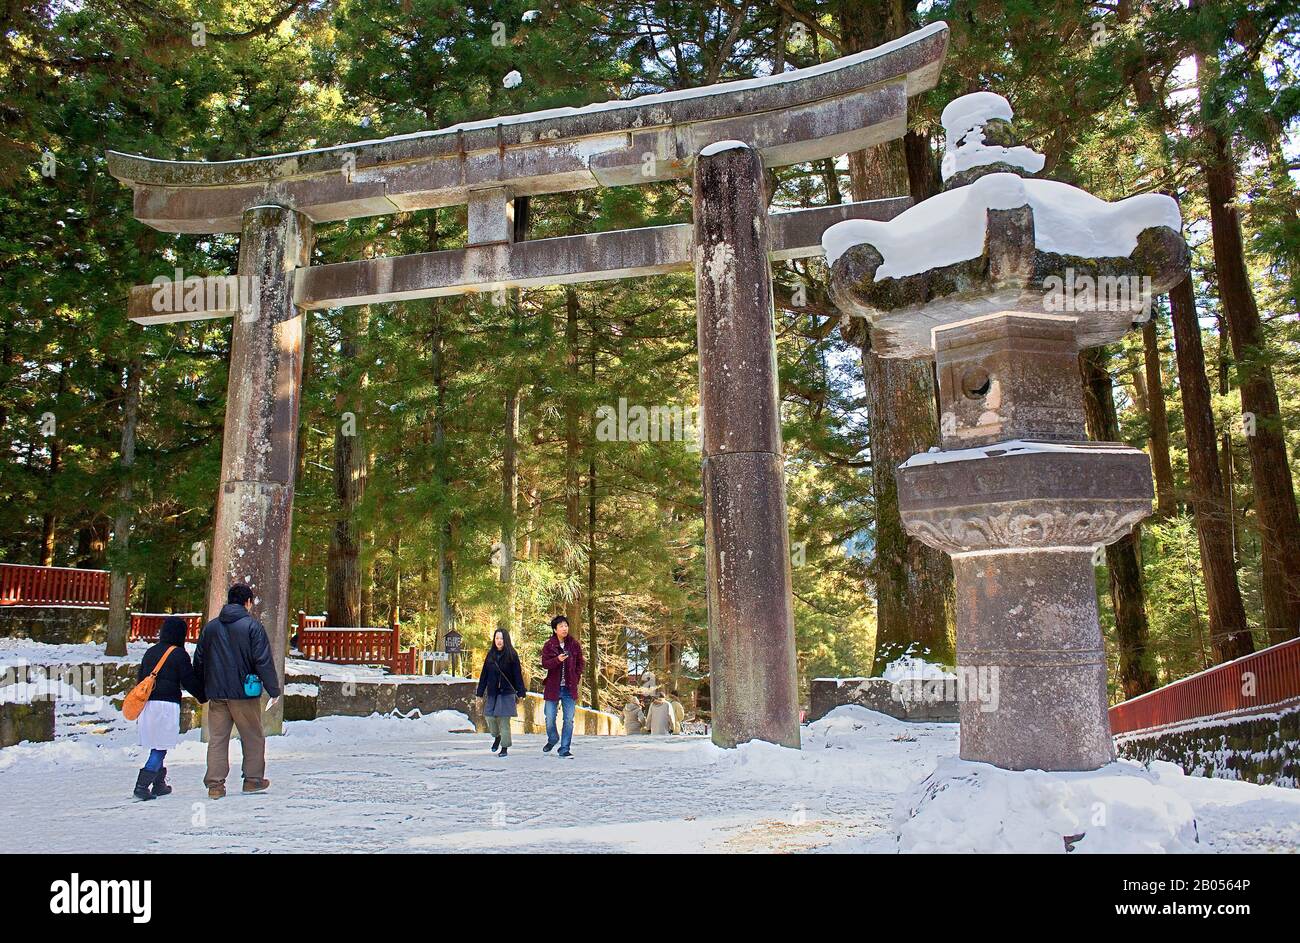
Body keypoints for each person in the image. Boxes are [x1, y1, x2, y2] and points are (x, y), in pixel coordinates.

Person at [193, 584, 282, 799]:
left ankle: (215, 784)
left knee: (218, 738)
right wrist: (273, 689)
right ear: (248, 602)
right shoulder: (252, 627)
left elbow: (199, 660)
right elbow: (263, 660)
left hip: (217, 693)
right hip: (244, 693)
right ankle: (253, 780)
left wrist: (201, 690)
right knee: (252, 736)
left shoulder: (211, 628)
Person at [132, 617, 204, 800]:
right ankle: (142, 784)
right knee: (160, 746)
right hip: (166, 705)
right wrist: (204, 696)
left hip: (148, 704)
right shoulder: (179, 654)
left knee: (157, 742)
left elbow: (141, 679)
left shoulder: (150, 652)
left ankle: (159, 784)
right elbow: (189, 680)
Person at [476, 628, 526, 757]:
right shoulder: (490, 654)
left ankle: (504, 747)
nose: (499, 641)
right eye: (497, 638)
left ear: (506, 640)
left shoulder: (512, 654)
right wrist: (479, 693)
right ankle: (496, 736)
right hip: (493, 692)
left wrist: (521, 692)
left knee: (504, 721)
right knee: (489, 716)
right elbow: (484, 675)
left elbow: (517, 674)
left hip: (507, 692)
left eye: (501, 638)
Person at [540, 614, 583, 757]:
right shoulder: (549, 645)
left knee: (569, 719)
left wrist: (576, 678)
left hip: (569, 688)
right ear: (555, 629)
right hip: (553, 686)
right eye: (561, 626)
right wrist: (557, 660)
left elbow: (580, 663)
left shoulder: (574, 644)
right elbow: (545, 664)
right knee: (550, 717)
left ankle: (564, 748)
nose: (564, 629)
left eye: (566, 626)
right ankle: (553, 738)